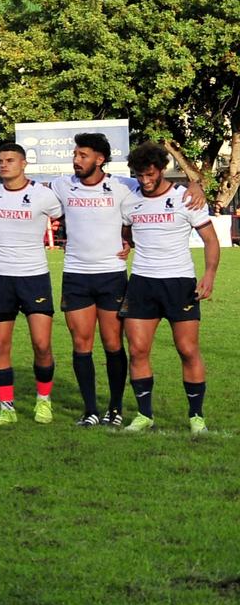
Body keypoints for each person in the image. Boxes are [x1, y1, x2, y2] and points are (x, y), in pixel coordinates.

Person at [122, 142, 219, 433]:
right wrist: (125, 242)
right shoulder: (130, 200)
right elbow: (126, 231)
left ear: (162, 169)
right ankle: (144, 414)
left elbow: (211, 240)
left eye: (150, 174)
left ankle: (196, 416)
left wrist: (210, 275)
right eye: (139, 175)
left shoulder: (185, 199)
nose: (145, 180)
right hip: (141, 283)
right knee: (138, 350)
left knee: (188, 350)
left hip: (179, 283)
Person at [49, 133, 136, 426]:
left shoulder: (124, 187)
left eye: (83, 155)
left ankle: (115, 408)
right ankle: (90, 411)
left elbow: (155, 191)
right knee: (81, 344)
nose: (76, 160)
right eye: (75, 154)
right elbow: (24, 187)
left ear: (100, 159)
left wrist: (197, 186)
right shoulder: (63, 185)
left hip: (111, 276)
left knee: (113, 343)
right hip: (76, 276)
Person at [0, 142, 64, 426]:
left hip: (34, 277)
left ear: (24, 163)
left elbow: (69, 217)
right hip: (0, 277)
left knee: (41, 344)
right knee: (0, 346)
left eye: (10, 160)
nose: (4, 165)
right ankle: (7, 408)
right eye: (0, 161)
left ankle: (43, 401)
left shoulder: (43, 195)